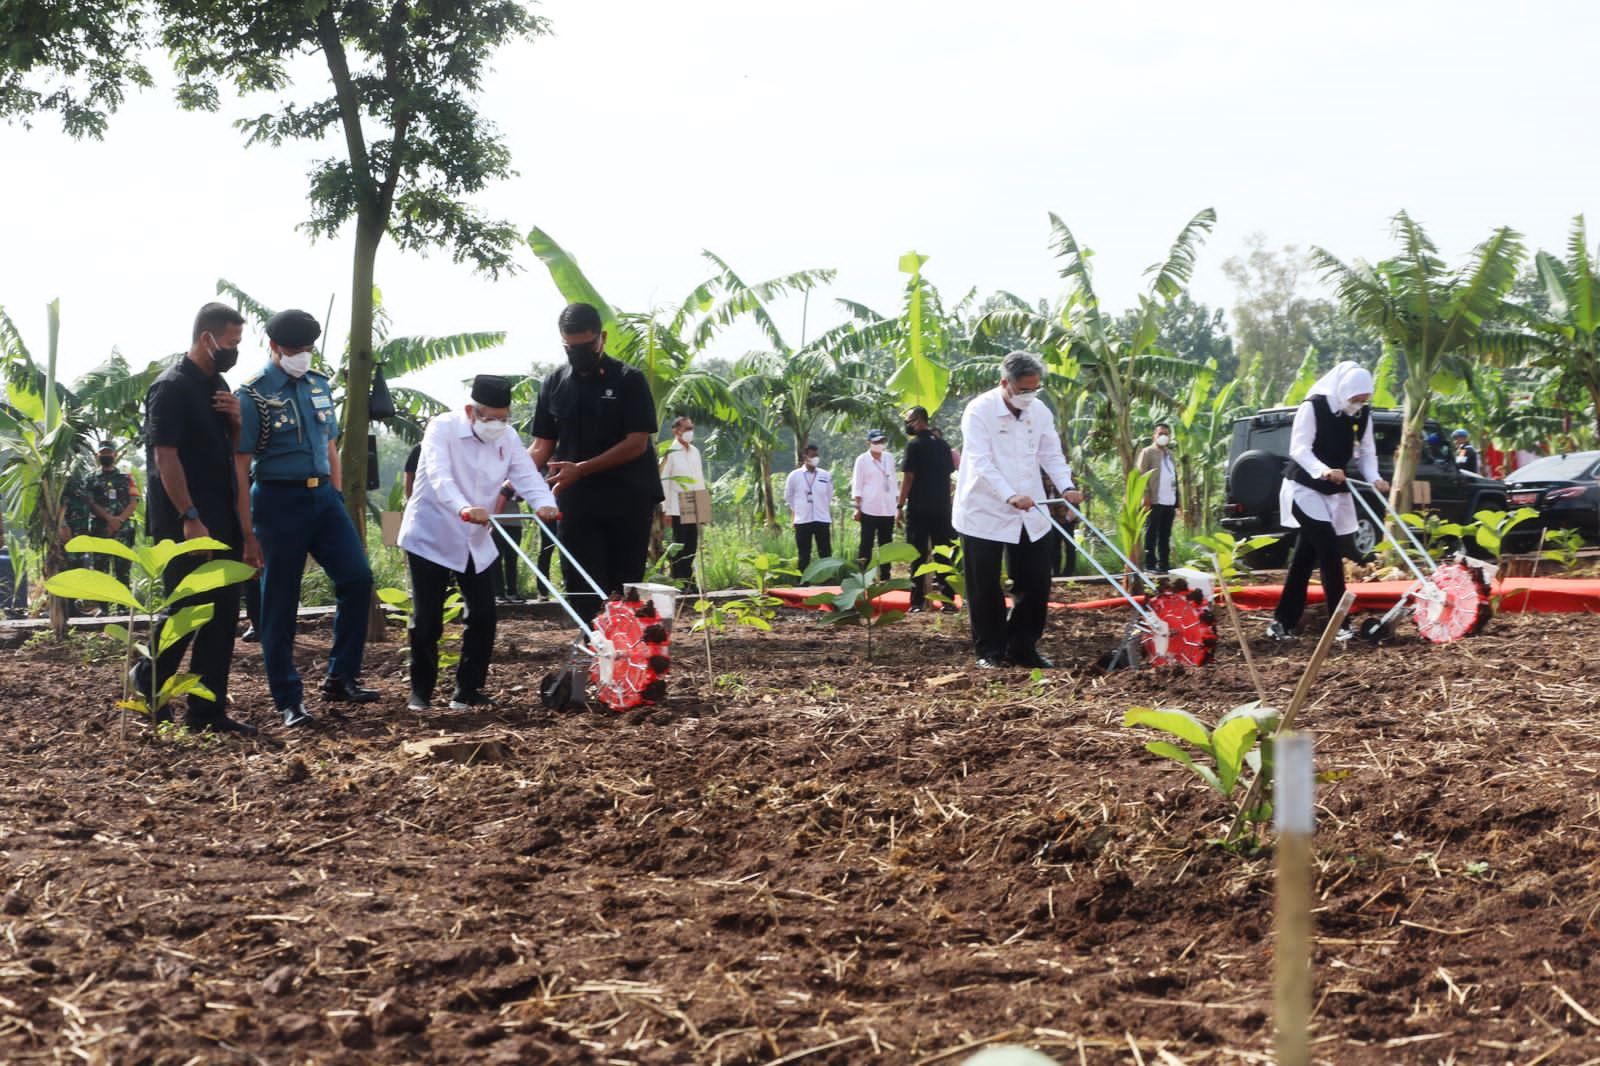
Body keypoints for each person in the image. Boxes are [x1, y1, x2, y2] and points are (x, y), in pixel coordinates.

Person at [236, 309, 377, 728]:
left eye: (308, 348)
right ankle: (288, 699)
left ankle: (341, 676)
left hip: (324, 501)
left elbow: (329, 442)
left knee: (358, 580)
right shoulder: (254, 394)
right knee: (279, 602)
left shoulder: (318, 385)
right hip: (278, 502)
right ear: (273, 346)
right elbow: (240, 463)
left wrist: (333, 491)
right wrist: (247, 531)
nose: (302, 355)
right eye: (294, 348)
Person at [134, 302, 255, 735]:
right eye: (231, 342)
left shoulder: (217, 385)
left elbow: (231, 455)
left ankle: (206, 711)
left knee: (223, 617)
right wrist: (190, 517)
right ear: (207, 338)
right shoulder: (170, 388)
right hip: (185, 522)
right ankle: (145, 684)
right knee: (186, 608)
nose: (234, 350)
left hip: (221, 517)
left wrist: (239, 423)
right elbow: (165, 458)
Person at [401, 375, 557, 711]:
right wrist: (462, 507)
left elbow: (525, 475)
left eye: (504, 418)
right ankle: (421, 693)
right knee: (428, 620)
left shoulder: (509, 437)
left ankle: (467, 691)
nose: (498, 425)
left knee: (484, 615)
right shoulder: (441, 429)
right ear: (471, 410)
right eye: (490, 418)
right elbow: (439, 476)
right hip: (431, 534)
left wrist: (545, 503)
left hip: (475, 538)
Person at [529, 303, 661, 626]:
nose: (578, 354)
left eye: (585, 346)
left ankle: (624, 662)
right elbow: (541, 446)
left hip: (627, 499)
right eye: (570, 348)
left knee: (623, 586)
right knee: (582, 589)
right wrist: (504, 483)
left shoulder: (630, 380)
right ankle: (595, 657)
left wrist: (582, 468)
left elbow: (636, 442)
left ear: (601, 338)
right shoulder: (554, 383)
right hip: (576, 503)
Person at [953, 351, 1080, 669]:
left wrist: (1066, 487)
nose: (1029, 396)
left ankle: (1023, 647)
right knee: (984, 585)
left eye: (1035, 389)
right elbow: (981, 462)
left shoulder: (1040, 412)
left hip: (1031, 509)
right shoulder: (979, 411)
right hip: (983, 509)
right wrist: (1009, 495)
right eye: (1024, 389)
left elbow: (1052, 453)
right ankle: (990, 651)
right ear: (1004, 384)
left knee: (1036, 580)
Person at [1269, 361, 1390, 642]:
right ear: (1343, 391)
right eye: (1355, 398)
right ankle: (1340, 623)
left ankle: (1281, 623)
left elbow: (1367, 453)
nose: (1359, 404)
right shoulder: (1313, 407)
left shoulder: (1362, 414)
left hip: (1334, 491)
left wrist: (1375, 479)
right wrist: (1322, 470)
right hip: (1304, 488)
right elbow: (1298, 448)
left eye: (1364, 399)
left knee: (1304, 559)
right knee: (1330, 552)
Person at [899, 406, 956, 611]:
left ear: (918, 420)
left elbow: (908, 477)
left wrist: (900, 505)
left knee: (918, 556)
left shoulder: (914, 446)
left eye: (909, 420)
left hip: (919, 508)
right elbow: (948, 477)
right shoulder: (943, 445)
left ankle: (917, 602)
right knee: (943, 554)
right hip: (942, 508)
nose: (907, 424)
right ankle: (948, 601)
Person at [658, 415, 707, 583]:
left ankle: (688, 578)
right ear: (676, 431)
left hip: (693, 499)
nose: (690, 432)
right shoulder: (670, 453)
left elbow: (699, 478)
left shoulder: (695, 452)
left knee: (692, 543)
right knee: (680, 543)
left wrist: (703, 507)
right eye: (687, 429)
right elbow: (665, 481)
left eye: (691, 428)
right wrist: (666, 509)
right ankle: (679, 578)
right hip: (677, 501)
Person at [86, 441, 140, 586]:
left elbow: (134, 501)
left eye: (108, 453)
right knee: (100, 575)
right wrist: (109, 519)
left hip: (123, 531)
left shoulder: (126, 477)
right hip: (100, 531)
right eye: (103, 453)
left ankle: (123, 608)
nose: (106, 456)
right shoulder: (90, 479)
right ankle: (103, 609)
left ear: (115, 455)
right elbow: (90, 503)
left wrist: (119, 520)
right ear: (97, 456)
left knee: (123, 574)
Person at [851, 429, 898, 579]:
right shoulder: (862, 460)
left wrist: (897, 505)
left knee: (886, 545)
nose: (879, 444)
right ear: (869, 443)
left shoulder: (889, 458)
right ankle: (863, 577)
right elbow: (857, 485)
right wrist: (857, 508)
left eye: (881, 441)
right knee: (866, 544)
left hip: (887, 507)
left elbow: (893, 481)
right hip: (869, 507)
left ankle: (885, 576)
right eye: (876, 442)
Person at [784, 443, 834, 571]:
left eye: (817, 455)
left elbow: (829, 495)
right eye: (812, 455)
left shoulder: (825, 475)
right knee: (804, 553)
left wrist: (820, 506)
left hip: (821, 518)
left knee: (825, 552)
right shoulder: (794, 476)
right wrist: (798, 510)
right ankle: (803, 582)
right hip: (803, 520)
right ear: (805, 457)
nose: (815, 458)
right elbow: (789, 496)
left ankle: (827, 580)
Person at [1137, 423, 1179, 573]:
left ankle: (1164, 564)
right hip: (1154, 500)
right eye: (1161, 433)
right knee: (1151, 533)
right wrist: (1145, 496)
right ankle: (1149, 565)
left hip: (1169, 500)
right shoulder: (1147, 452)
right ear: (1154, 435)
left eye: (1166, 434)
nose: (1163, 437)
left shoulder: (1170, 455)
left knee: (1165, 534)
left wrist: (1177, 502)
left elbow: (1175, 477)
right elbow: (1141, 474)